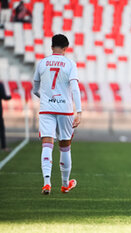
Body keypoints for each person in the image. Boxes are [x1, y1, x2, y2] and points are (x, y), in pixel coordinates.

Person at [32, 34, 82, 195]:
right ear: (66, 48)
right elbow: (74, 88)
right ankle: (65, 184)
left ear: (51, 46)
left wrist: (45, 99)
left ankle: (46, 183)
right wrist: (79, 111)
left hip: (47, 108)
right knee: (65, 146)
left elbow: (34, 89)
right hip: (65, 109)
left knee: (47, 144)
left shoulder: (42, 63)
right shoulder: (70, 64)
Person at [0, 81, 11, 151]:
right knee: (1, 129)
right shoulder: (0, 84)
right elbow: (4, 96)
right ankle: (3, 147)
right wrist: (10, 96)